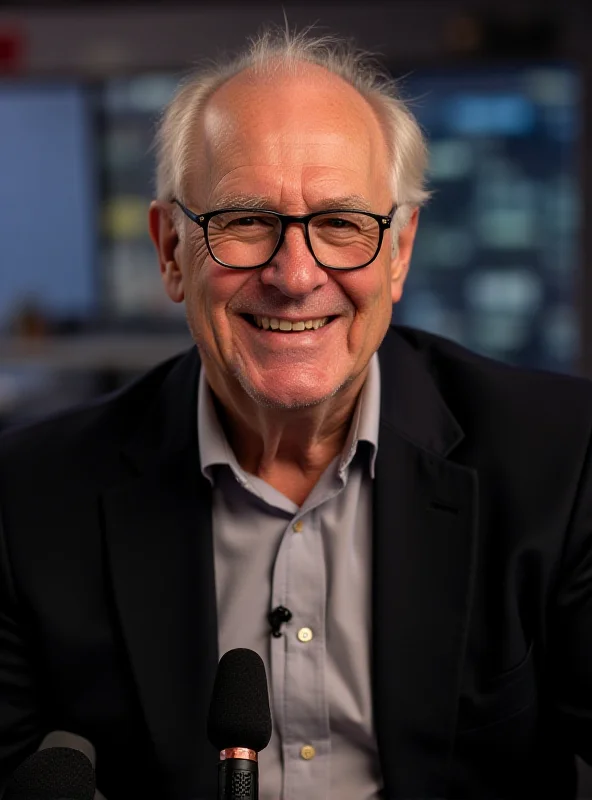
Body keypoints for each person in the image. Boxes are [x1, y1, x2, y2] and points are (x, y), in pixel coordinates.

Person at [1, 26, 592, 800]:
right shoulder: (27, 498)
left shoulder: (563, 458)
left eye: (342, 224)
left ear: (401, 251)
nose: (295, 274)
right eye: (245, 221)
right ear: (171, 251)